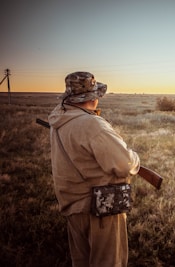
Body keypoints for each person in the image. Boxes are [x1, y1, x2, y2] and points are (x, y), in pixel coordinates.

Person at [48, 71, 140, 267]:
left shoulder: (59, 117)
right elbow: (125, 164)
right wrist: (135, 158)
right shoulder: (92, 124)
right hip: (100, 208)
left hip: (72, 205)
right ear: (94, 97)